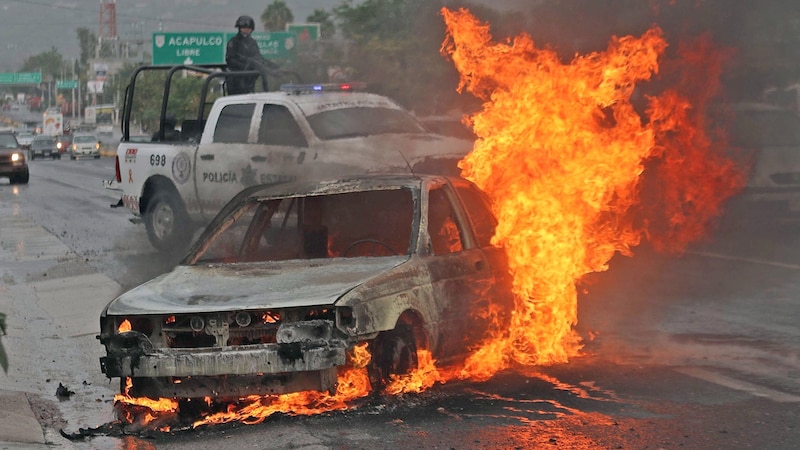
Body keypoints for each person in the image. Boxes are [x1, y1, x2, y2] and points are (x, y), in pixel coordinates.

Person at [226, 15, 280, 95]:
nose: (246, 30)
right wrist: (246, 65)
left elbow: (259, 58)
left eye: (248, 28)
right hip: (236, 79)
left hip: (249, 80)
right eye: (244, 28)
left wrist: (273, 66)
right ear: (239, 28)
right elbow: (230, 60)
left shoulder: (252, 43)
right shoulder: (234, 42)